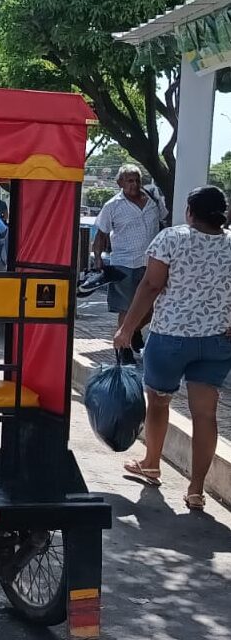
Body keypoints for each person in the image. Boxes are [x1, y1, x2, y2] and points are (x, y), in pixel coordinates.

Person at [114, 186, 231, 512]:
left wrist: (127, 328)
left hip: (170, 337)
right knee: (206, 414)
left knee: (160, 401)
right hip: (216, 341)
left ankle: (151, 463)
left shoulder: (171, 238)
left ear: (190, 212)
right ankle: (196, 490)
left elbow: (152, 285)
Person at [94, 164, 167, 364]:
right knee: (126, 307)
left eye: (137, 180)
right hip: (124, 263)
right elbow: (101, 233)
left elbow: (163, 220)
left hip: (151, 262)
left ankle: (132, 330)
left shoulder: (153, 201)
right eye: (130, 180)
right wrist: (98, 258)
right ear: (120, 183)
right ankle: (124, 349)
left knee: (152, 306)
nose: (134, 184)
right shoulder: (112, 206)